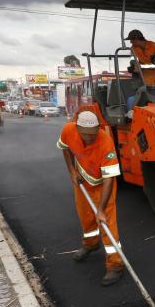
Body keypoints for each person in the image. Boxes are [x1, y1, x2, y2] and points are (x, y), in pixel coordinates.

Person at [57, 110, 125, 286]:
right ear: (78, 129)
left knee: (107, 222)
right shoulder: (68, 130)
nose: (89, 138)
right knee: (86, 216)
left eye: (92, 135)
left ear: (98, 130)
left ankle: (115, 265)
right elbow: (65, 148)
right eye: (85, 135)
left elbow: (110, 178)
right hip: (82, 179)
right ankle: (91, 243)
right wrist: (72, 171)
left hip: (103, 185)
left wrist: (101, 209)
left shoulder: (106, 142)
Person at [125, 29, 155, 111]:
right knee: (134, 97)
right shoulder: (133, 49)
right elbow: (134, 61)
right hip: (141, 77)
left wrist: (140, 67)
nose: (131, 42)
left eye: (131, 40)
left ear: (137, 39)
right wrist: (133, 66)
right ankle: (132, 113)